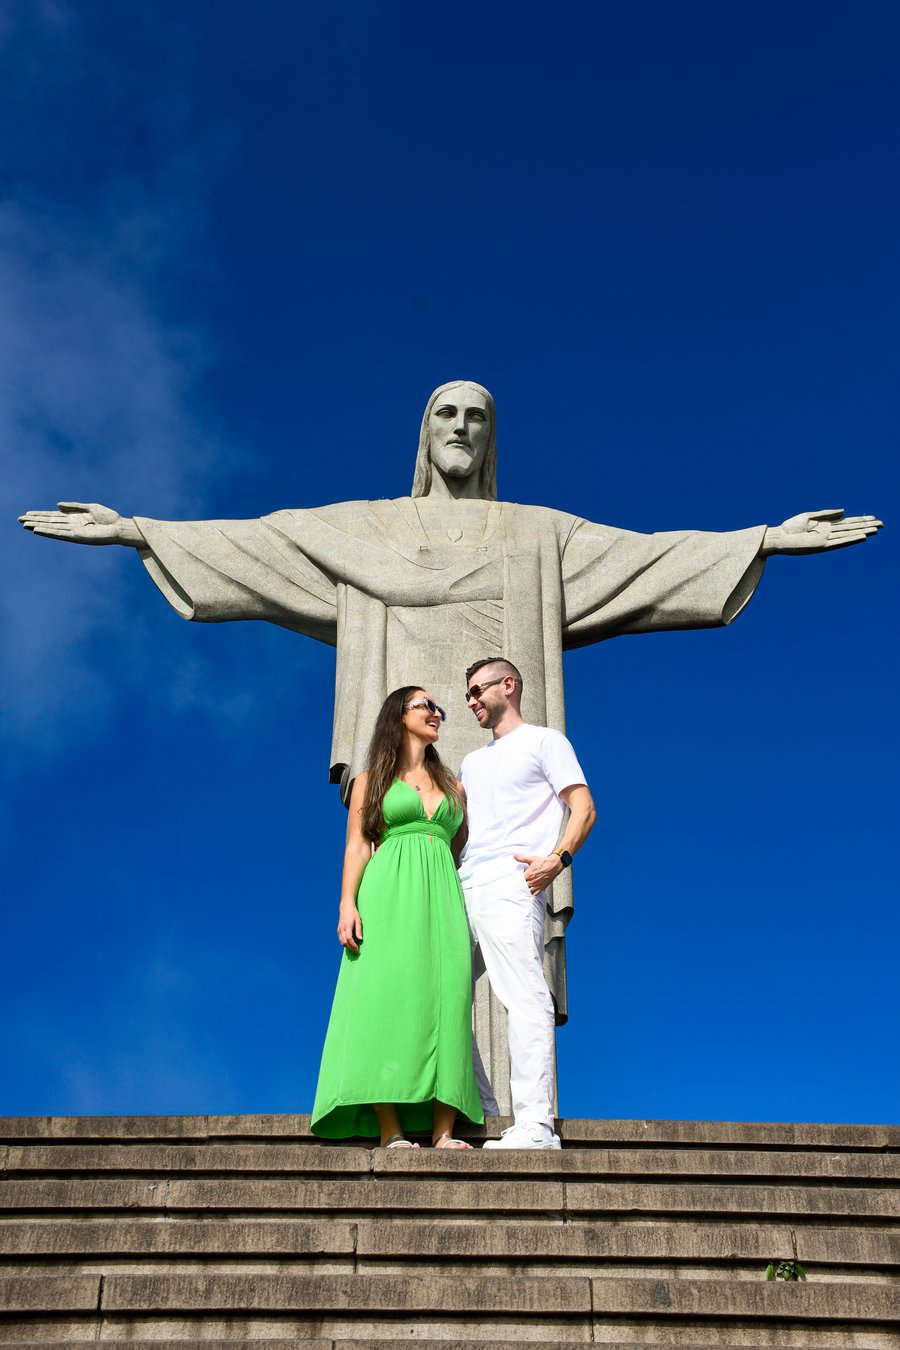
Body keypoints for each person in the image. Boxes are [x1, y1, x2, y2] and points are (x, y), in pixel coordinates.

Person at [19, 379, 882, 1095]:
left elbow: (646, 560)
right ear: (424, 434)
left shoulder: (538, 536)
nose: (462, 427)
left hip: (506, 788)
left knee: (509, 947)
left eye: (478, 416)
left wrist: (760, 540)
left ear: (491, 437)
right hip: (414, 785)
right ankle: (415, 1095)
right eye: (446, 413)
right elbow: (265, 545)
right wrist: (141, 530)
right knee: (413, 938)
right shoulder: (366, 531)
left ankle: (508, 1114)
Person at [311, 686, 483, 1148]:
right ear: (398, 716)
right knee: (385, 1000)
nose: (436, 713)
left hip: (442, 897)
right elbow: (356, 846)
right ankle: (391, 1131)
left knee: (447, 999)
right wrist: (348, 904)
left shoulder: (455, 787)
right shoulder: (370, 781)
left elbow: (459, 846)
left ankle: (445, 1132)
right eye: (425, 706)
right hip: (386, 893)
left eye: (437, 708)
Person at [459, 658, 597, 1150]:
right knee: (446, 998)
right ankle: (488, 1115)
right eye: (469, 695)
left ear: (508, 685)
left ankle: (536, 1124)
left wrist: (558, 859)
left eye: (478, 691)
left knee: (525, 995)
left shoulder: (545, 741)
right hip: (463, 884)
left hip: (512, 882)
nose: (472, 701)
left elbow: (584, 806)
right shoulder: (471, 763)